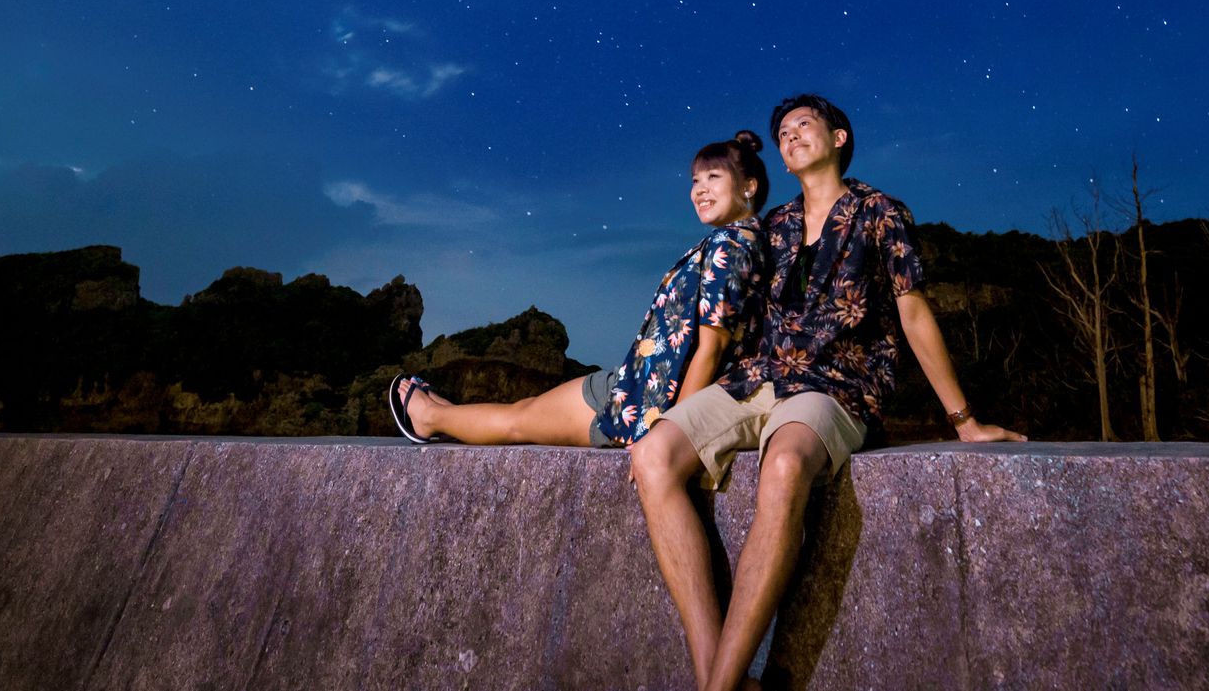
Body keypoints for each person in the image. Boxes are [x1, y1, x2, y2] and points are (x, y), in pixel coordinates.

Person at [630, 94, 1026, 691]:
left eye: (803, 126)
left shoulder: (881, 213)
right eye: (782, 133)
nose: (789, 136)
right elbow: (721, 318)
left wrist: (963, 420)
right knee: (652, 454)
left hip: (834, 384)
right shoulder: (772, 227)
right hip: (755, 378)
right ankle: (722, 675)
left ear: (838, 138)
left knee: (785, 463)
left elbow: (914, 314)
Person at [387, 131, 771, 448]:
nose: (699, 191)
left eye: (713, 178)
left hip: (641, 407)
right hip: (641, 392)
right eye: (695, 181)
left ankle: (429, 417)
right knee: (522, 413)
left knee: (517, 422)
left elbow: (713, 345)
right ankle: (442, 413)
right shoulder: (745, 242)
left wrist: (675, 437)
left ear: (749, 186)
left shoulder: (730, 246)